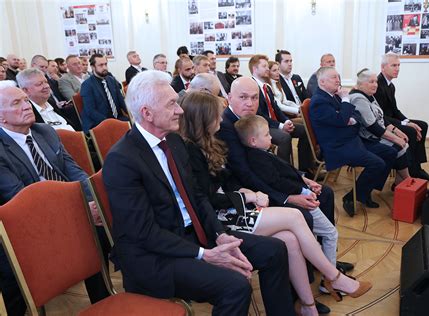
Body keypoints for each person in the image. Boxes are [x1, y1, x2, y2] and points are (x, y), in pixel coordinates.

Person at [102, 70, 295, 316]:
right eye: (172, 104)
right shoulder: (122, 160)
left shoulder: (174, 142)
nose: (180, 110)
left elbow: (198, 197)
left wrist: (220, 234)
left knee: (275, 250)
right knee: (235, 287)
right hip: (155, 257)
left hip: (195, 236)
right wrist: (204, 254)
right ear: (147, 113)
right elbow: (143, 232)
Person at [180, 92, 372, 315]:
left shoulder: (209, 141)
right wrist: (248, 196)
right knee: (295, 216)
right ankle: (334, 277)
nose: (221, 120)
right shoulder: (191, 150)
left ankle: (308, 306)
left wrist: (242, 191)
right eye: (217, 115)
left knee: (290, 239)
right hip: (221, 216)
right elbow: (206, 198)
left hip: (231, 204)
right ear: (203, 119)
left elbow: (225, 179)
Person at [217, 77, 353, 277]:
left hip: (267, 180)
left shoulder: (249, 115)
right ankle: (307, 271)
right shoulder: (226, 126)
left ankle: (324, 258)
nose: (250, 103)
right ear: (229, 97)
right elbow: (245, 174)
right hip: (250, 193)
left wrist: (302, 179)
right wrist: (287, 197)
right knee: (305, 213)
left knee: (326, 193)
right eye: (243, 97)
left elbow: (273, 163)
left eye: (255, 98)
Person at [0, 81, 110, 316]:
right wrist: (78, 210)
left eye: (25, 100)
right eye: (16, 103)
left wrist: (92, 202)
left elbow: (76, 172)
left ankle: (103, 300)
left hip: (66, 207)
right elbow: (19, 197)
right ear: (1, 118)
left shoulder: (45, 132)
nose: (27, 106)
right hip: (23, 222)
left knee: (102, 223)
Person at [235, 114, 355, 293]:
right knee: (330, 233)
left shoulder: (261, 153)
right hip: (298, 199)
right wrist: (303, 191)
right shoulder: (257, 158)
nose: (271, 137)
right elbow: (277, 182)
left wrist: (305, 181)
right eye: (267, 134)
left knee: (329, 228)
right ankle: (329, 280)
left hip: (299, 192)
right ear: (253, 141)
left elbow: (287, 172)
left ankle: (328, 272)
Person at [310, 67, 397, 217]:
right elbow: (342, 119)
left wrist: (347, 118)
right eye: (333, 77)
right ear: (322, 82)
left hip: (350, 140)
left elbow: (354, 115)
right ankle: (351, 198)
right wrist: (345, 102)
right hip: (337, 147)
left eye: (338, 76)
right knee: (377, 163)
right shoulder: (320, 101)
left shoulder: (332, 96)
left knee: (390, 152)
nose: (338, 80)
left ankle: (365, 192)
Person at [374, 53, 429, 181]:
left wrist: (408, 121)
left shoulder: (390, 85)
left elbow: (395, 110)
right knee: (410, 131)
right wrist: (405, 125)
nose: (397, 68)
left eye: (398, 65)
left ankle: (417, 168)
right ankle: (410, 171)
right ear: (383, 67)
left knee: (421, 126)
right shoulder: (378, 85)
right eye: (393, 65)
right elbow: (381, 116)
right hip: (384, 123)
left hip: (392, 119)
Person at [249, 54, 313, 175]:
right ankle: (285, 172)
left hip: (273, 122)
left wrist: (286, 121)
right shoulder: (252, 86)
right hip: (261, 125)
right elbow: (260, 115)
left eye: (267, 66)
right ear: (254, 69)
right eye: (264, 66)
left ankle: (305, 168)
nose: (267, 69)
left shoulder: (266, 86)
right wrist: (280, 125)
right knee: (284, 137)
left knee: (305, 131)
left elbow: (276, 109)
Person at [350, 68, 411, 188]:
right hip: (365, 138)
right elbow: (373, 127)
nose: (375, 85)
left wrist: (396, 131)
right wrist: (395, 138)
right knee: (397, 147)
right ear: (361, 84)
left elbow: (382, 118)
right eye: (371, 82)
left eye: (376, 81)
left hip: (374, 135)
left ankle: (403, 181)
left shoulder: (369, 96)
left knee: (403, 143)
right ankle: (406, 181)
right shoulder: (358, 98)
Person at [80, 54, 128, 133]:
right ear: (92, 67)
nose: (104, 67)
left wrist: (133, 115)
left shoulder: (111, 80)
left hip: (117, 119)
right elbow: (91, 111)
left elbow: (121, 101)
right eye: (101, 65)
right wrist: (111, 123)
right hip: (98, 123)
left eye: (105, 64)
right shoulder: (87, 85)